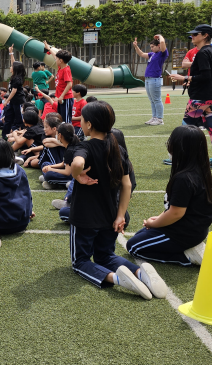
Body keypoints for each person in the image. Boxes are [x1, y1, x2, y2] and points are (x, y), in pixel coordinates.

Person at [68, 101, 165, 300]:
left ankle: (119, 279)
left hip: (85, 217)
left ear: (89, 125)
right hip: (111, 215)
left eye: (82, 120)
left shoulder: (85, 146)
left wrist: (78, 176)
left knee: (80, 261)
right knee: (106, 255)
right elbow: (127, 186)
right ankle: (140, 273)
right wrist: (120, 215)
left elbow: (77, 163)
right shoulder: (117, 149)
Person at [127, 126, 212, 267]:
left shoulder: (184, 178)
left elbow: (176, 213)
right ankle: (189, 248)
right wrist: (158, 218)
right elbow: (176, 207)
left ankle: (186, 257)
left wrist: (154, 223)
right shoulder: (201, 171)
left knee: (133, 247)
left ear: (181, 148)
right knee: (140, 234)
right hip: (194, 229)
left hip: (183, 234)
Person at [167, 24, 212, 169]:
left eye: (195, 34)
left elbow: (204, 76)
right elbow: (208, 76)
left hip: (201, 97)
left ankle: (178, 158)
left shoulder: (203, 53)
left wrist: (184, 78)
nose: (192, 37)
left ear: (205, 35)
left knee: (185, 128)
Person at [134, 34, 168, 126]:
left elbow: (162, 42)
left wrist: (160, 36)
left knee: (156, 99)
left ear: (159, 46)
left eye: (153, 47)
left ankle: (159, 119)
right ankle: (154, 117)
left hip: (154, 79)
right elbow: (141, 54)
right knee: (152, 100)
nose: (151, 48)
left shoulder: (162, 53)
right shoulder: (152, 54)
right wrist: (136, 46)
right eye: (150, 47)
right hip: (148, 79)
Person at [41, 123, 78, 189]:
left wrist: (51, 169)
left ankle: (70, 183)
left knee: (49, 175)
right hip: (69, 172)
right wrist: (49, 166)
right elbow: (63, 164)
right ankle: (53, 182)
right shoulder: (68, 146)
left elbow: (67, 172)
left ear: (60, 135)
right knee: (45, 164)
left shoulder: (70, 150)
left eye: (56, 134)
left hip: (73, 175)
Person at [44, 42, 74, 124]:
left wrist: (61, 96)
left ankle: (68, 136)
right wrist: (49, 49)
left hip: (66, 98)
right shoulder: (61, 67)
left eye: (57, 59)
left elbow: (69, 84)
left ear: (60, 60)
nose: (55, 60)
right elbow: (55, 56)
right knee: (61, 118)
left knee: (66, 120)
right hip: (62, 98)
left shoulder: (66, 70)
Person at [2, 61, 27, 136]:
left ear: (15, 68)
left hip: (18, 101)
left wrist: (7, 100)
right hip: (13, 102)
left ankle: (23, 136)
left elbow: (14, 91)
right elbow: (14, 62)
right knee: (8, 118)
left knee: (20, 120)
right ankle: (4, 136)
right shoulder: (14, 76)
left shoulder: (17, 78)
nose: (10, 67)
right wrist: (11, 53)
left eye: (12, 66)